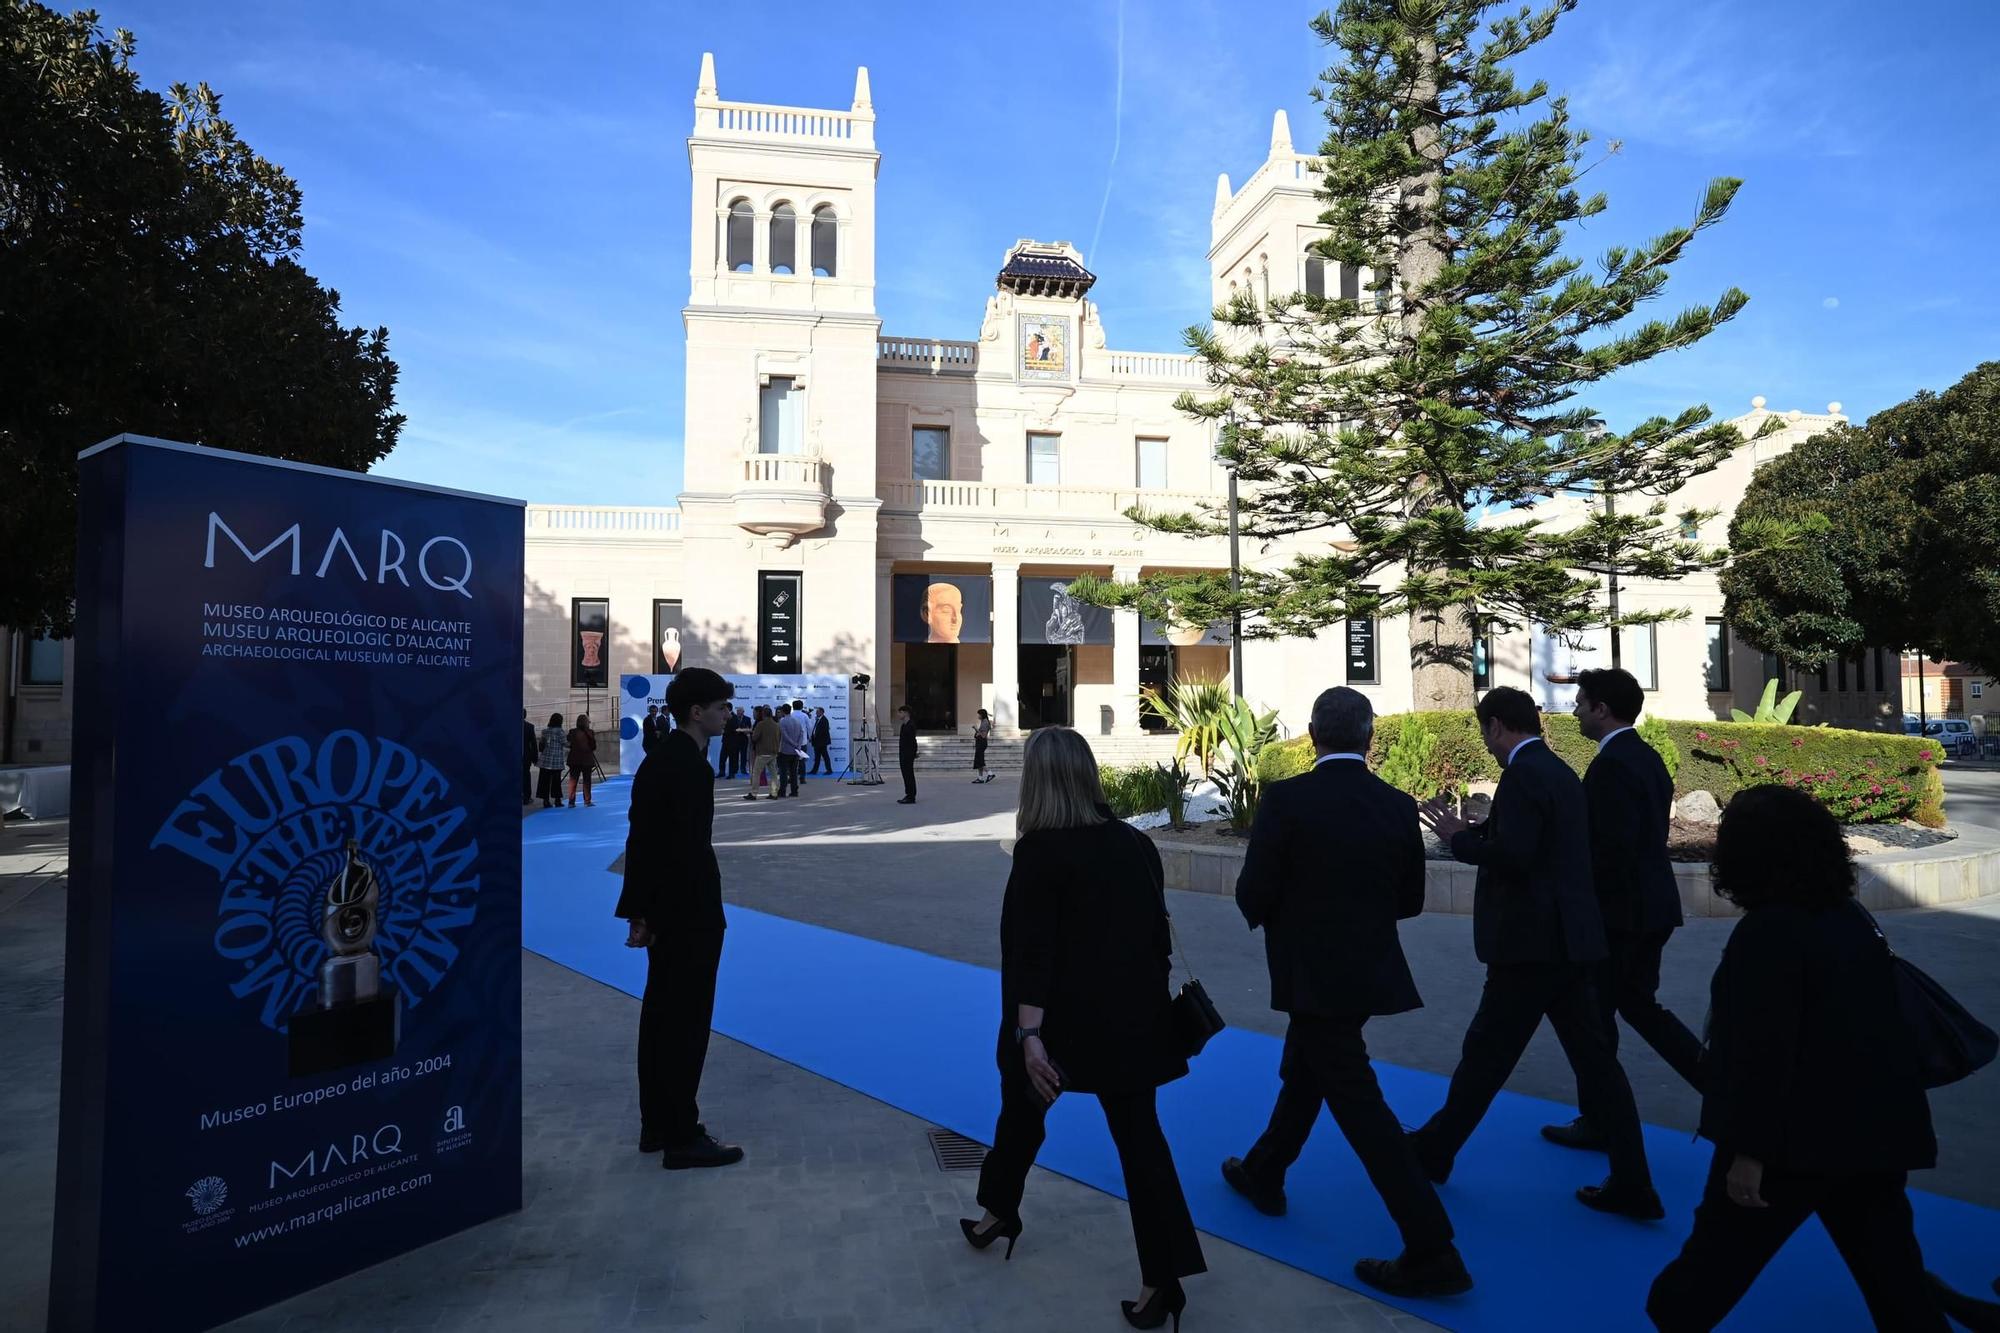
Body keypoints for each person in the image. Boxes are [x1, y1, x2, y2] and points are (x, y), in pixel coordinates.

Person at [1646, 785, 1945, 1330]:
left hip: (1791, 1145)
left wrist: (1748, 1153)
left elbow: (1764, 1053)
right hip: (1873, 1135)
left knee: (1692, 1292)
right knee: (1897, 1285)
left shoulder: (1767, 934)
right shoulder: (1850, 917)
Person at [1224, 688, 1472, 1297]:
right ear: (1370, 737)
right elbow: (1410, 899)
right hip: (1367, 972)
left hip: (1309, 971)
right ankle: (1265, 1170)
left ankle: (1431, 1247)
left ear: (1313, 735)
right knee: (1309, 1068)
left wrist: (1288, 922)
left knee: (1361, 1107)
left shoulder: (1286, 800)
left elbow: (1253, 893)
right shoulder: (1395, 806)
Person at [964, 726, 1205, 1330]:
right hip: (1131, 1024)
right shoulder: (1135, 843)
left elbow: (1030, 953)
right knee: (1142, 1145)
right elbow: (1157, 940)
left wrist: (1028, 1036)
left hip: (1056, 1027)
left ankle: (999, 1211)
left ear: (1037, 779)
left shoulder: (1041, 851)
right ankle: (1163, 1278)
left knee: (1020, 1115)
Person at [1413, 686, 1660, 1219]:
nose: (1487, 744)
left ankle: (1434, 1151)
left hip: (1531, 946)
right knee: (1596, 1066)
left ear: (1497, 726)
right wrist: (1486, 833)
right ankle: (1634, 1182)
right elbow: (1542, 846)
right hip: (1570, 943)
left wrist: (1459, 837)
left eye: (1486, 732)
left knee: (1487, 1056)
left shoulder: (1524, 775)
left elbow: (1517, 856)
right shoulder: (1559, 771)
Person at [1544, 667, 1702, 1152]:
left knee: (1595, 1020)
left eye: (1580, 702)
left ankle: (1603, 1122)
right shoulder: (1647, 757)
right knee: (1634, 1008)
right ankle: (1722, 1091)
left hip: (1622, 917)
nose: (1574, 711)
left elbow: (1608, 849)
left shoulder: (1612, 766)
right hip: (1650, 908)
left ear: (1601, 709)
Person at [614, 667, 745, 1171]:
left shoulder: (665, 759)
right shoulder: (687, 766)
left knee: (661, 1018)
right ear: (698, 712)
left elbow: (641, 842)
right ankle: (681, 1133)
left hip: (668, 911)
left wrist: (640, 913)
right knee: (686, 1024)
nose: (728, 714)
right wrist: (656, 912)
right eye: (722, 707)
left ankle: (657, 1123)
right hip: (689, 914)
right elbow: (675, 849)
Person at [748, 705, 782, 801]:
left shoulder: (761, 724)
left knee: (756, 773)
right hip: (773, 752)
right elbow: (779, 738)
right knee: (774, 774)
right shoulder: (776, 725)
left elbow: (754, 738)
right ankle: (774, 793)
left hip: (762, 753)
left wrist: (751, 734)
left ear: (763, 714)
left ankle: (754, 794)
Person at [776, 703, 807, 798]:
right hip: (796, 751)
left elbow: (785, 736)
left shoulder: (782, 721)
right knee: (794, 772)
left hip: (785, 750)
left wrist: (794, 744)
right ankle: (794, 791)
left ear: (782, 711)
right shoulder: (796, 721)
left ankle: (782, 791)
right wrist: (798, 745)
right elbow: (802, 733)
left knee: (783, 772)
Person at [536, 712, 567, 808]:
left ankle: (546, 800)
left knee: (545, 781)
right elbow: (565, 744)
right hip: (556, 760)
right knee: (556, 781)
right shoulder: (560, 732)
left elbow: (541, 745)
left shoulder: (545, 731)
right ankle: (557, 800)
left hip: (545, 760)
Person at [566, 714, 597, 808]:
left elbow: (569, 742)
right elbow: (593, 746)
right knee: (587, 780)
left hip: (574, 759)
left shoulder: (572, 732)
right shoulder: (590, 732)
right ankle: (587, 801)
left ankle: (571, 802)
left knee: (573, 780)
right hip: (586, 759)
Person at [896, 704, 918, 804]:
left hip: (908, 754)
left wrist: (913, 753)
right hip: (903, 753)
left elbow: (913, 741)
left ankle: (911, 796)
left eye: (900, 712)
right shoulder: (903, 725)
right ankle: (908, 794)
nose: (898, 714)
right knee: (905, 775)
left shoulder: (910, 725)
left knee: (909, 775)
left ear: (906, 713)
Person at [972, 708, 994, 783]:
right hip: (980, 743)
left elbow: (983, 735)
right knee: (978, 760)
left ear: (982, 715)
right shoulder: (983, 721)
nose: (978, 716)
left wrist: (975, 728)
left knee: (980, 760)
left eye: (978, 714)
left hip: (981, 743)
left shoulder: (985, 722)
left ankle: (990, 773)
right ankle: (980, 778)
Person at [810, 707, 833, 775]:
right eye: (816, 712)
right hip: (817, 742)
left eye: (818, 712)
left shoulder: (824, 720)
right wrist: (813, 737)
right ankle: (814, 770)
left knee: (825, 756)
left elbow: (823, 731)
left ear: (822, 712)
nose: (816, 713)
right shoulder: (818, 719)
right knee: (817, 757)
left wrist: (815, 737)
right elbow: (815, 730)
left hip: (821, 742)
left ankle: (829, 770)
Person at [521, 709, 537, 804]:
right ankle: (526, 797)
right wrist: (534, 758)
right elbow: (533, 744)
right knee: (526, 776)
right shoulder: (529, 727)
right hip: (526, 755)